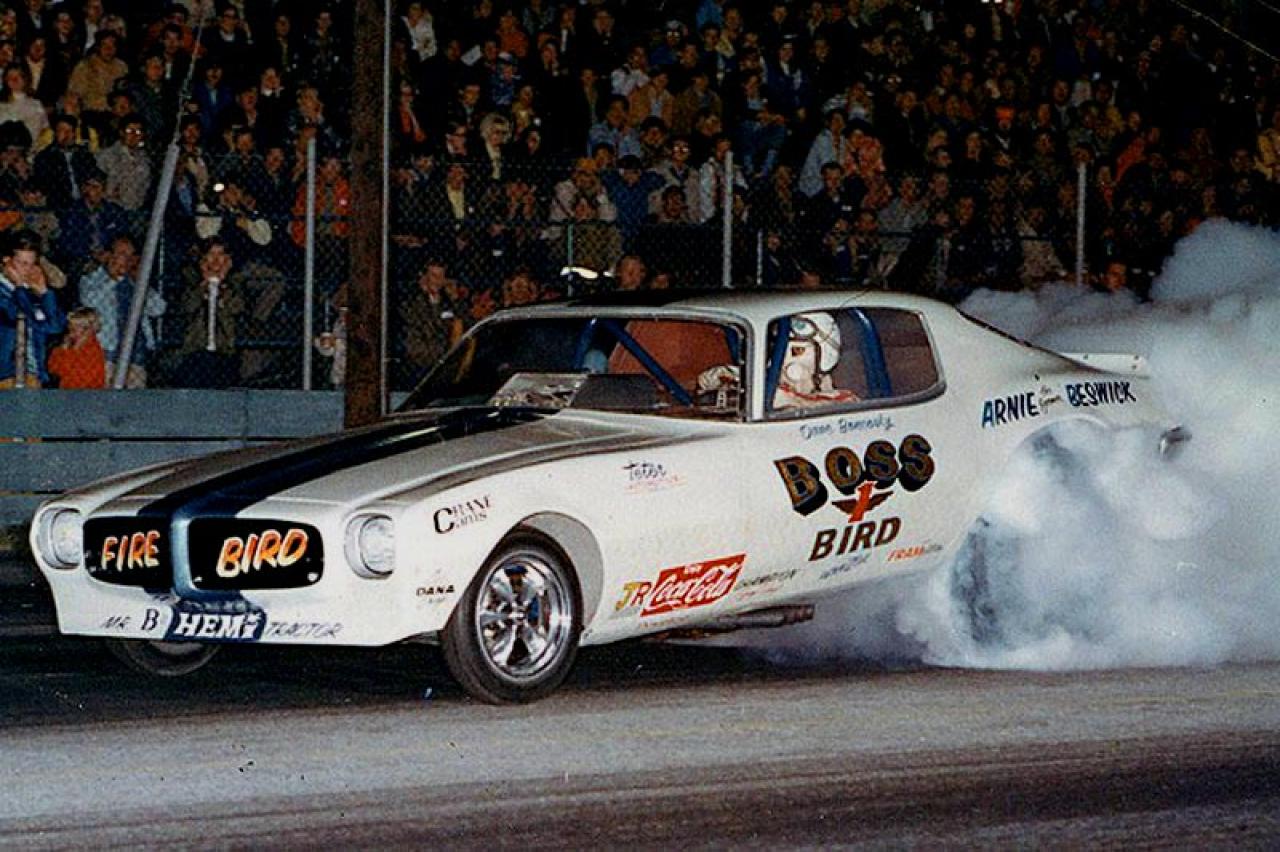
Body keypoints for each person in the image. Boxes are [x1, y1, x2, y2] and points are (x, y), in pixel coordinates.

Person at [77, 234, 165, 387]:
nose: (127, 259)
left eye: (131, 255)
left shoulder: (135, 281)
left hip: (136, 354)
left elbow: (158, 308)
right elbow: (89, 301)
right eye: (122, 254)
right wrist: (113, 278)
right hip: (106, 352)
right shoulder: (92, 279)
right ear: (108, 256)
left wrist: (140, 282)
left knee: (135, 397)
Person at [0, 230, 64, 388]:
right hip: (5, 375)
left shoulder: (31, 293)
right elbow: (17, 314)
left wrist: (44, 292)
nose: (27, 270)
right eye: (22, 263)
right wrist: (19, 287)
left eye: (32, 264)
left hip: (33, 374)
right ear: (7, 261)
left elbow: (55, 327)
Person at [46, 305, 105, 389]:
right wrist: (64, 348)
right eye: (70, 328)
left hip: (87, 391)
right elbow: (53, 368)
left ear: (88, 330)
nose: (70, 332)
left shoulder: (92, 350)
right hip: (68, 389)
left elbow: (68, 371)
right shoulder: (69, 345)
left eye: (74, 329)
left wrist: (73, 350)